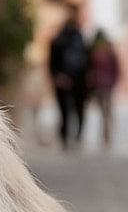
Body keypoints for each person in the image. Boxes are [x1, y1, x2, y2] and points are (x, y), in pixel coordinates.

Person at [47, 16, 89, 150]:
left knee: (66, 111)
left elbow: (51, 64)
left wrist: (57, 76)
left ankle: (67, 137)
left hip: (67, 82)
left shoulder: (59, 41)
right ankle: (75, 137)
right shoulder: (80, 42)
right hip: (77, 82)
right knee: (76, 111)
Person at [87, 29, 123, 150]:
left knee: (105, 112)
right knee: (105, 112)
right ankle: (105, 134)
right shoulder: (101, 54)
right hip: (102, 86)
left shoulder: (103, 54)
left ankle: (106, 134)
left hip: (104, 86)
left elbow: (116, 70)